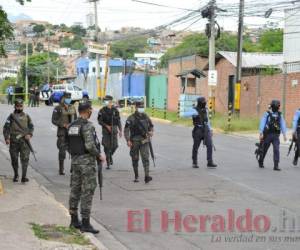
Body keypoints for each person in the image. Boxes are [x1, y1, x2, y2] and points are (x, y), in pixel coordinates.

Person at [67, 100, 104, 234]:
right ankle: (86, 223)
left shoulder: (71, 125)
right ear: (87, 111)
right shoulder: (87, 126)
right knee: (87, 191)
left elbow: (67, 144)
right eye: (91, 110)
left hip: (75, 161)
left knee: (75, 190)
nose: (91, 111)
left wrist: (76, 155)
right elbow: (90, 145)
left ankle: (73, 220)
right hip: (87, 163)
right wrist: (99, 155)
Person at [3, 99, 34, 183]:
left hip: (24, 142)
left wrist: (29, 134)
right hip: (14, 142)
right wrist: (7, 138)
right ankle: (16, 174)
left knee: (25, 159)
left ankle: (24, 176)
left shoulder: (27, 116)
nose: (20, 108)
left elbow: (31, 126)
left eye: (21, 106)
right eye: (18, 106)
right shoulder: (11, 117)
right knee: (14, 159)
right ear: (15, 106)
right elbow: (6, 128)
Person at [124, 100, 154, 183]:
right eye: (140, 107)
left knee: (145, 158)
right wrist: (128, 140)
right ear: (136, 107)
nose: (141, 108)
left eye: (142, 107)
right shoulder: (131, 118)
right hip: (135, 141)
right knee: (135, 158)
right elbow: (126, 130)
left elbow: (151, 126)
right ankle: (136, 175)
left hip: (145, 140)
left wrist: (151, 132)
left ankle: (147, 176)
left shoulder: (146, 116)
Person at [52, 92, 77, 175]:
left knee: (74, 151)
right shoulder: (58, 108)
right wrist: (63, 124)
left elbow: (76, 119)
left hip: (72, 133)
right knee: (62, 151)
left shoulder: (72, 107)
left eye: (69, 98)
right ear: (63, 98)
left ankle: (73, 168)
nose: (68, 99)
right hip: (62, 132)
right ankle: (61, 169)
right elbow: (54, 120)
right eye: (67, 98)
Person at [258, 100, 287, 171]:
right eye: (277, 106)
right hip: (267, 135)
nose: (278, 107)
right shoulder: (267, 114)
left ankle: (276, 165)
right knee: (264, 149)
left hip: (276, 135)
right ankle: (261, 160)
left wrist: (284, 134)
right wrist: (261, 133)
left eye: (278, 106)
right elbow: (262, 122)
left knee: (276, 150)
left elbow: (282, 124)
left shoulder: (280, 115)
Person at [191, 97, 217, 169]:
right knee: (196, 146)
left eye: (205, 101)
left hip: (206, 129)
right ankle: (194, 162)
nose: (205, 103)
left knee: (209, 145)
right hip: (198, 130)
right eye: (203, 101)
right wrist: (193, 113)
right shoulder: (194, 110)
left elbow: (207, 120)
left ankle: (210, 162)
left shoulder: (206, 110)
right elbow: (185, 114)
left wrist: (210, 129)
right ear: (200, 102)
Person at [97, 95, 122, 169]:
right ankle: (108, 162)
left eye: (107, 100)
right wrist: (106, 126)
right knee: (106, 146)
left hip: (114, 130)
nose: (105, 102)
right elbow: (99, 121)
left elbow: (118, 121)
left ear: (110, 101)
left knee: (115, 145)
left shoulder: (115, 110)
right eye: (105, 100)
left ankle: (110, 155)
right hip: (105, 130)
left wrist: (120, 130)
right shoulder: (102, 110)